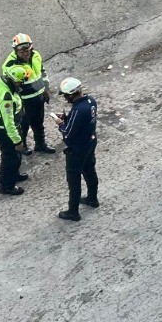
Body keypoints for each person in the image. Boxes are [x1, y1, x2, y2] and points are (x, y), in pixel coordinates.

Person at [54, 77, 100, 221]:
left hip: (78, 147)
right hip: (90, 141)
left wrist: (60, 123)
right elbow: (81, 122)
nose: (65, 98)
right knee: (90, 170)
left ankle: (73, 211)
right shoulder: (90, 101)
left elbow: (67, 132)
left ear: (71, 94)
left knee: (73, 179)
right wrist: (67, 118)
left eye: (65, 95)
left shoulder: (78, 110)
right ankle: (92, 198)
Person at [4, 33, 55, 154]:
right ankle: (23, 147)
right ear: (15, 51)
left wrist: (46, 90)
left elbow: (42, 72)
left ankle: (40, 145)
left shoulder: (36, 55)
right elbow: (9, 86)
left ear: (31, 48)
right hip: (24, 101)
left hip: (39, 97)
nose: (25, 54)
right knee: (24, 126)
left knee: (38, 123)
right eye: (21, 52)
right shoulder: (10, 65)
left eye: (27, 50)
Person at [0, 64, 32, 195]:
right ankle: (7, 186)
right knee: (10, 156)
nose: (22, 84)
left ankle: (15, 174)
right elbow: (9, 124)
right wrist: (18, 141)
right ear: (15, 81)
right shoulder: (6, 98)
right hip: (3, 131)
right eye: (21, 82)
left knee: (15, 155)